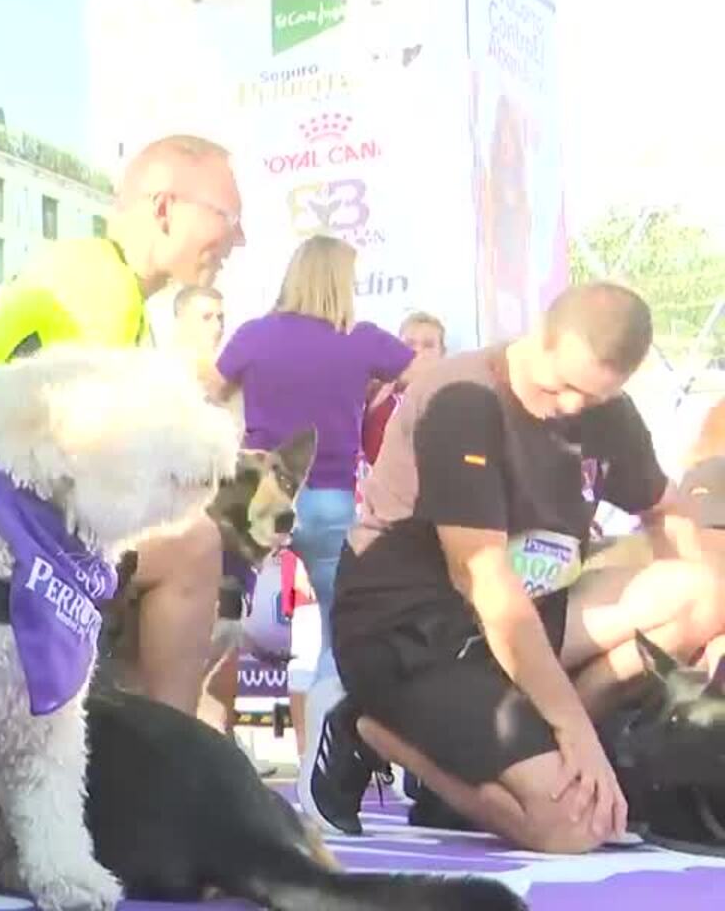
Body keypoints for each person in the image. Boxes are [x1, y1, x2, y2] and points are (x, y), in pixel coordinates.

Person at [312, 282, 725, 853]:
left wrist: (707, 642)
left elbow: (669, 510)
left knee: (702, 592)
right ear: (541, 337)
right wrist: (575, 731)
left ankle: (526, 758)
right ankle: (372, 728)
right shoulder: (463, 398)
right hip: (417, 633)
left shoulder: (605, 412)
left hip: (529, 617)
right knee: (574, 828)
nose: (574, 407)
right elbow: (483, 582)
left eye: (596, 396)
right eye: (564, 387)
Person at [0, 134, 243, 717]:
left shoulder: (105, 282)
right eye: (227, 216)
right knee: (194, 544)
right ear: (164, 209)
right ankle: (169, 759)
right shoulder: (98, 287)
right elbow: (104, 462)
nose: (239, 237)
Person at [213, 235, 428, 820]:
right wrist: (372, 390)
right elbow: (428, 376)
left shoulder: (254, 336)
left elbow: (211, 395)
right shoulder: (361, 342)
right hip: (332, 498)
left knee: (233, 628)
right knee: (341, 636)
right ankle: (322, 769)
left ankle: (218, 751)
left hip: (258, 500)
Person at [362, 310, 447, 468]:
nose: (417, 352)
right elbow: (372, 455)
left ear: (442, 353)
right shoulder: (375, 395)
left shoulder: (456, 399)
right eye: (409, 344)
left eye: (428, 345)